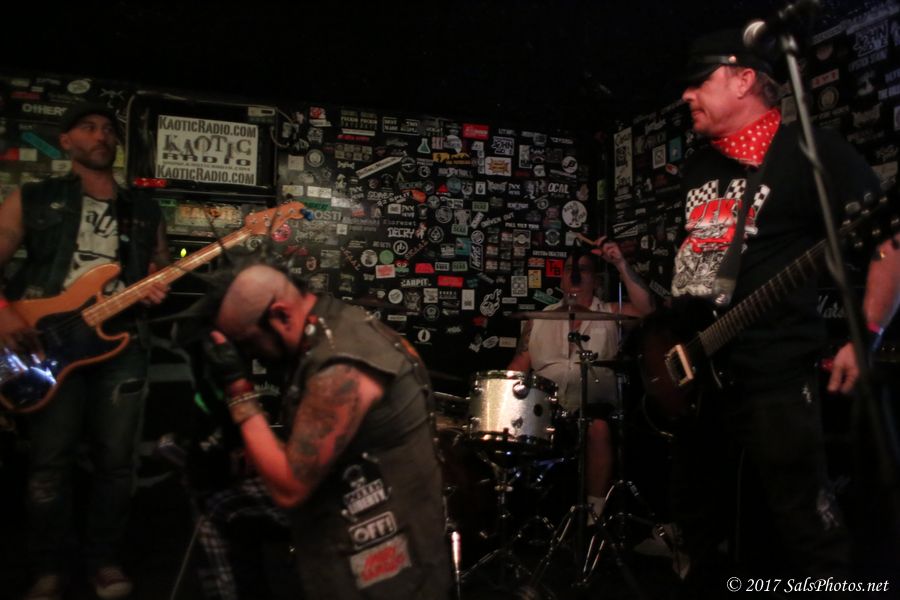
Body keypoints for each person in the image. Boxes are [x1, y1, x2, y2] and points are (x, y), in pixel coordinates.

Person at [668, 27, 900, 591]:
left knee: (805, 525)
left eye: (699, 81)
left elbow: (889, 246)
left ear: (744, 79)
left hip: (775, 372)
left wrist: (866, 333)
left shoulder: (812, 154)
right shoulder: (698, 168)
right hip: (704, 375)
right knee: (709, 527)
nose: (687, 95)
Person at [199, 261, 451, 600]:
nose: (250, 355)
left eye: (248, 344)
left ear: (281, 315)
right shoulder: (329, 321)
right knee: (220, 502)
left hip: (390, 559)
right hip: (367, 499)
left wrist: (238, 389)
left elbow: (290, 488)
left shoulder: (341, 367)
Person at [0, 102, 169, 600]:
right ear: (66, 141)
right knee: (50, 459)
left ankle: (104, 560)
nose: (102, 136)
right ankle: (48, 567)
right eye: (89, 128)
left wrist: (156, 284)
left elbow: (159, 266)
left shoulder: (143, 208)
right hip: (47, 340)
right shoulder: (34, 197)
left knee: (116, 461)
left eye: (109, 130)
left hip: (122, 342)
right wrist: (5, 314)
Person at [508, 238, 654, 517]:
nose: (574, 275)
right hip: (547, 410)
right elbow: (519, 365)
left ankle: (593, 515)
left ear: (596, 280)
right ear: (561, 279)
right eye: (569, 270)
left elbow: (648, 311)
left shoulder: (611, 312)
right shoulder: (537, 318)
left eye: (583, 270)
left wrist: (620, 264)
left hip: (596, 408)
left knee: (597, 427)